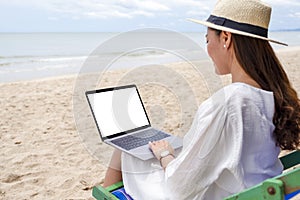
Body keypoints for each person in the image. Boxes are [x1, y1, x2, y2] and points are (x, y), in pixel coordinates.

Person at [103, 0, 300, 199]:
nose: (207, 48)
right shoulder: (271, 95)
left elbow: (179, 188)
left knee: (126, 149)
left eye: (207, 40)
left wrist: (165, 155)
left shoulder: (231, 101)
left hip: (212, 195)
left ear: (226, 38)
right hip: (250, 191)